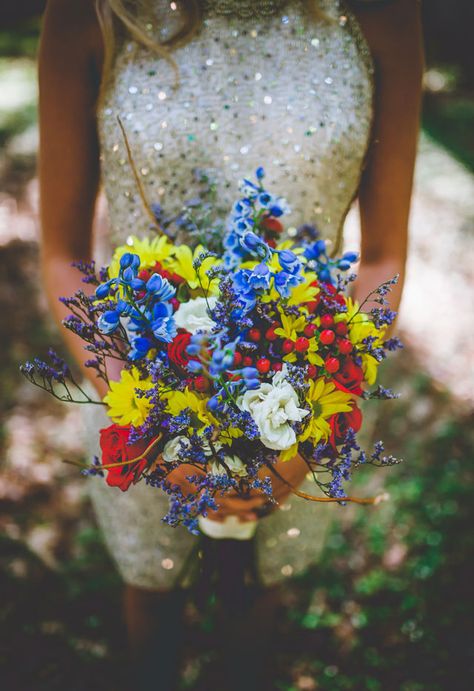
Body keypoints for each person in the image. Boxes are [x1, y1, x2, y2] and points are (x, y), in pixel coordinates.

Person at [38, 0, 423, 688]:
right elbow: (63, 253)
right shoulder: (92, 14)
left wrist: (314, 423)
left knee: (261, 611)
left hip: (306, 400)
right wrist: (148, 420)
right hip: (138, 389)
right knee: (150, 609)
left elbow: (383, 256)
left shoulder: (381, 15)